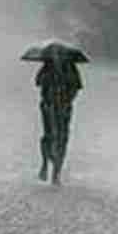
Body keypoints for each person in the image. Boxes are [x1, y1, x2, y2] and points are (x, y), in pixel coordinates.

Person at [35, 51, 83, 185]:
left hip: (64, 108)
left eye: (60, 54)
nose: (58, 56)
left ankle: (56, 172)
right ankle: (45, 164)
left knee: (62, 138)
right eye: (55, 54)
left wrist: (68, 100)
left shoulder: (71, 68)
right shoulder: (47, 66)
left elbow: (77, 87)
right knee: (49, 136)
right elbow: (37, 82)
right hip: (48, 106)